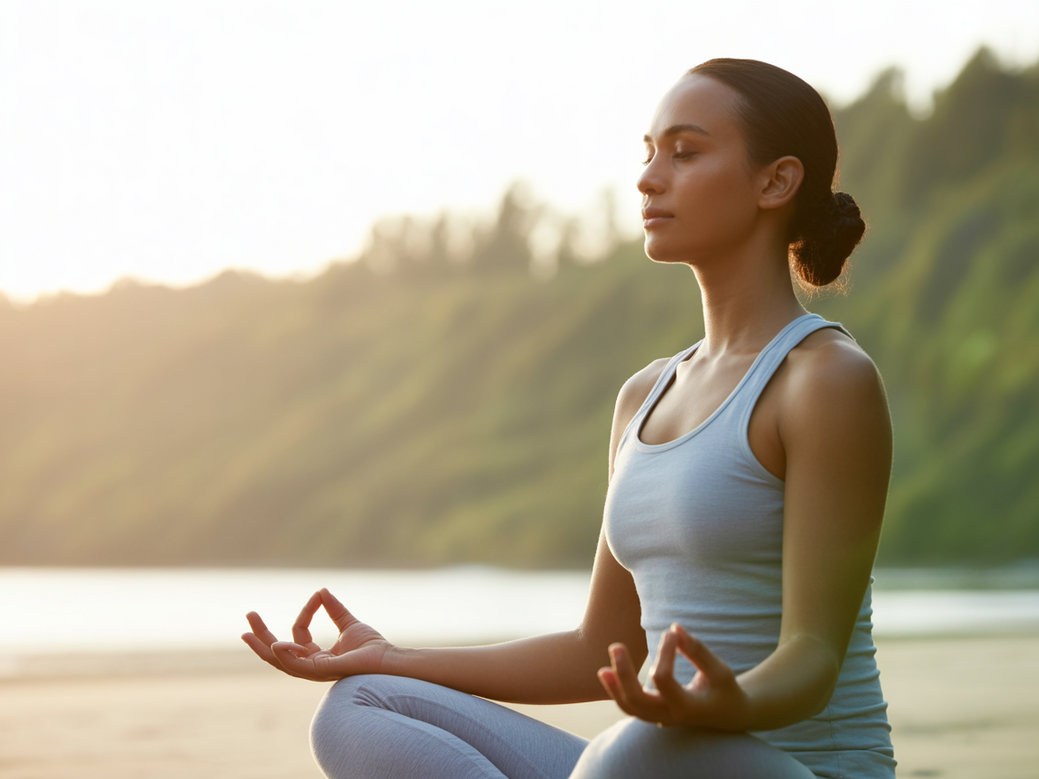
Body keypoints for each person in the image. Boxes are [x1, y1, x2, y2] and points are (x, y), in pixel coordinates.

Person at [242, 58, 897, 779]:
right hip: (651, 760)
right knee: (362, 703)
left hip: (794, 768)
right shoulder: (643, 396)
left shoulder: (823, 380)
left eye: (684, 153)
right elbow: (598, 648)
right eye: (647, 153)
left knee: (635, 746)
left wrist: (722, 703)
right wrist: (393, 656)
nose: (649, 178)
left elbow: (812, 655)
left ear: (775, 181)